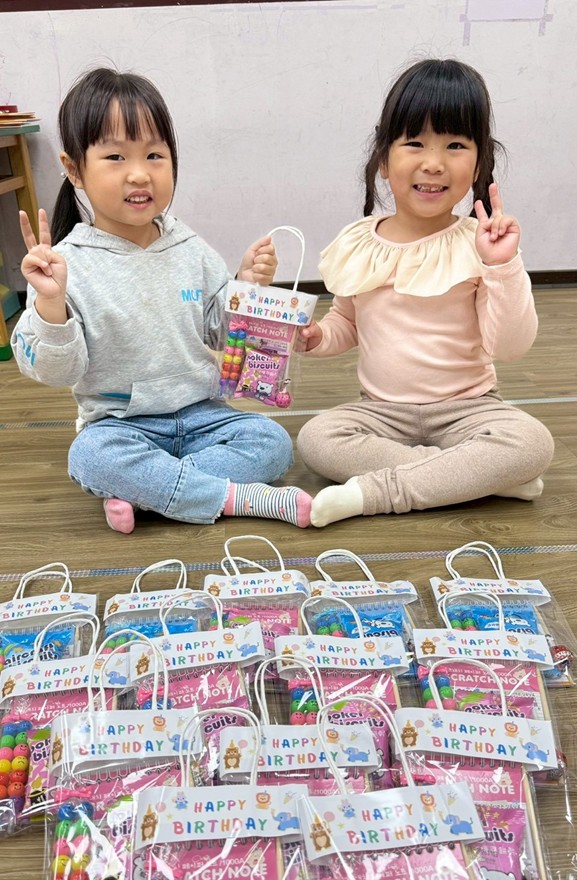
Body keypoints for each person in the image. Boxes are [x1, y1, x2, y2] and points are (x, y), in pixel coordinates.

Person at [12, 67, 312, 534]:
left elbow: (221, 332)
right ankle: (234, 498)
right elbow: (58, 372)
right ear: (74, 169)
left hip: (204, 416)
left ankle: (148, 494)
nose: (139, 174)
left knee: (271, 441)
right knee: (90, 455)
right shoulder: (62, 265)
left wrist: (246, 287)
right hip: (121, 426)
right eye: (115, 156)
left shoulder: (189, 247)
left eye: (155, 155)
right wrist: (51, 308)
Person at [296, 58, 554, 528]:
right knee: (317, 438)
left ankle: (376, 493)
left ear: (480, 161)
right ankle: (472, 477)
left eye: (455, 145)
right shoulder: (360, 242)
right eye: (414, 143)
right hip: (381, 414)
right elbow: (347, 322)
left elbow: (510, 347)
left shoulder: (478, 244)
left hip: (470, 410)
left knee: (532, 442)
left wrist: (502, 266)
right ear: (383, 157)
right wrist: (317, 337)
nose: (433, 163)